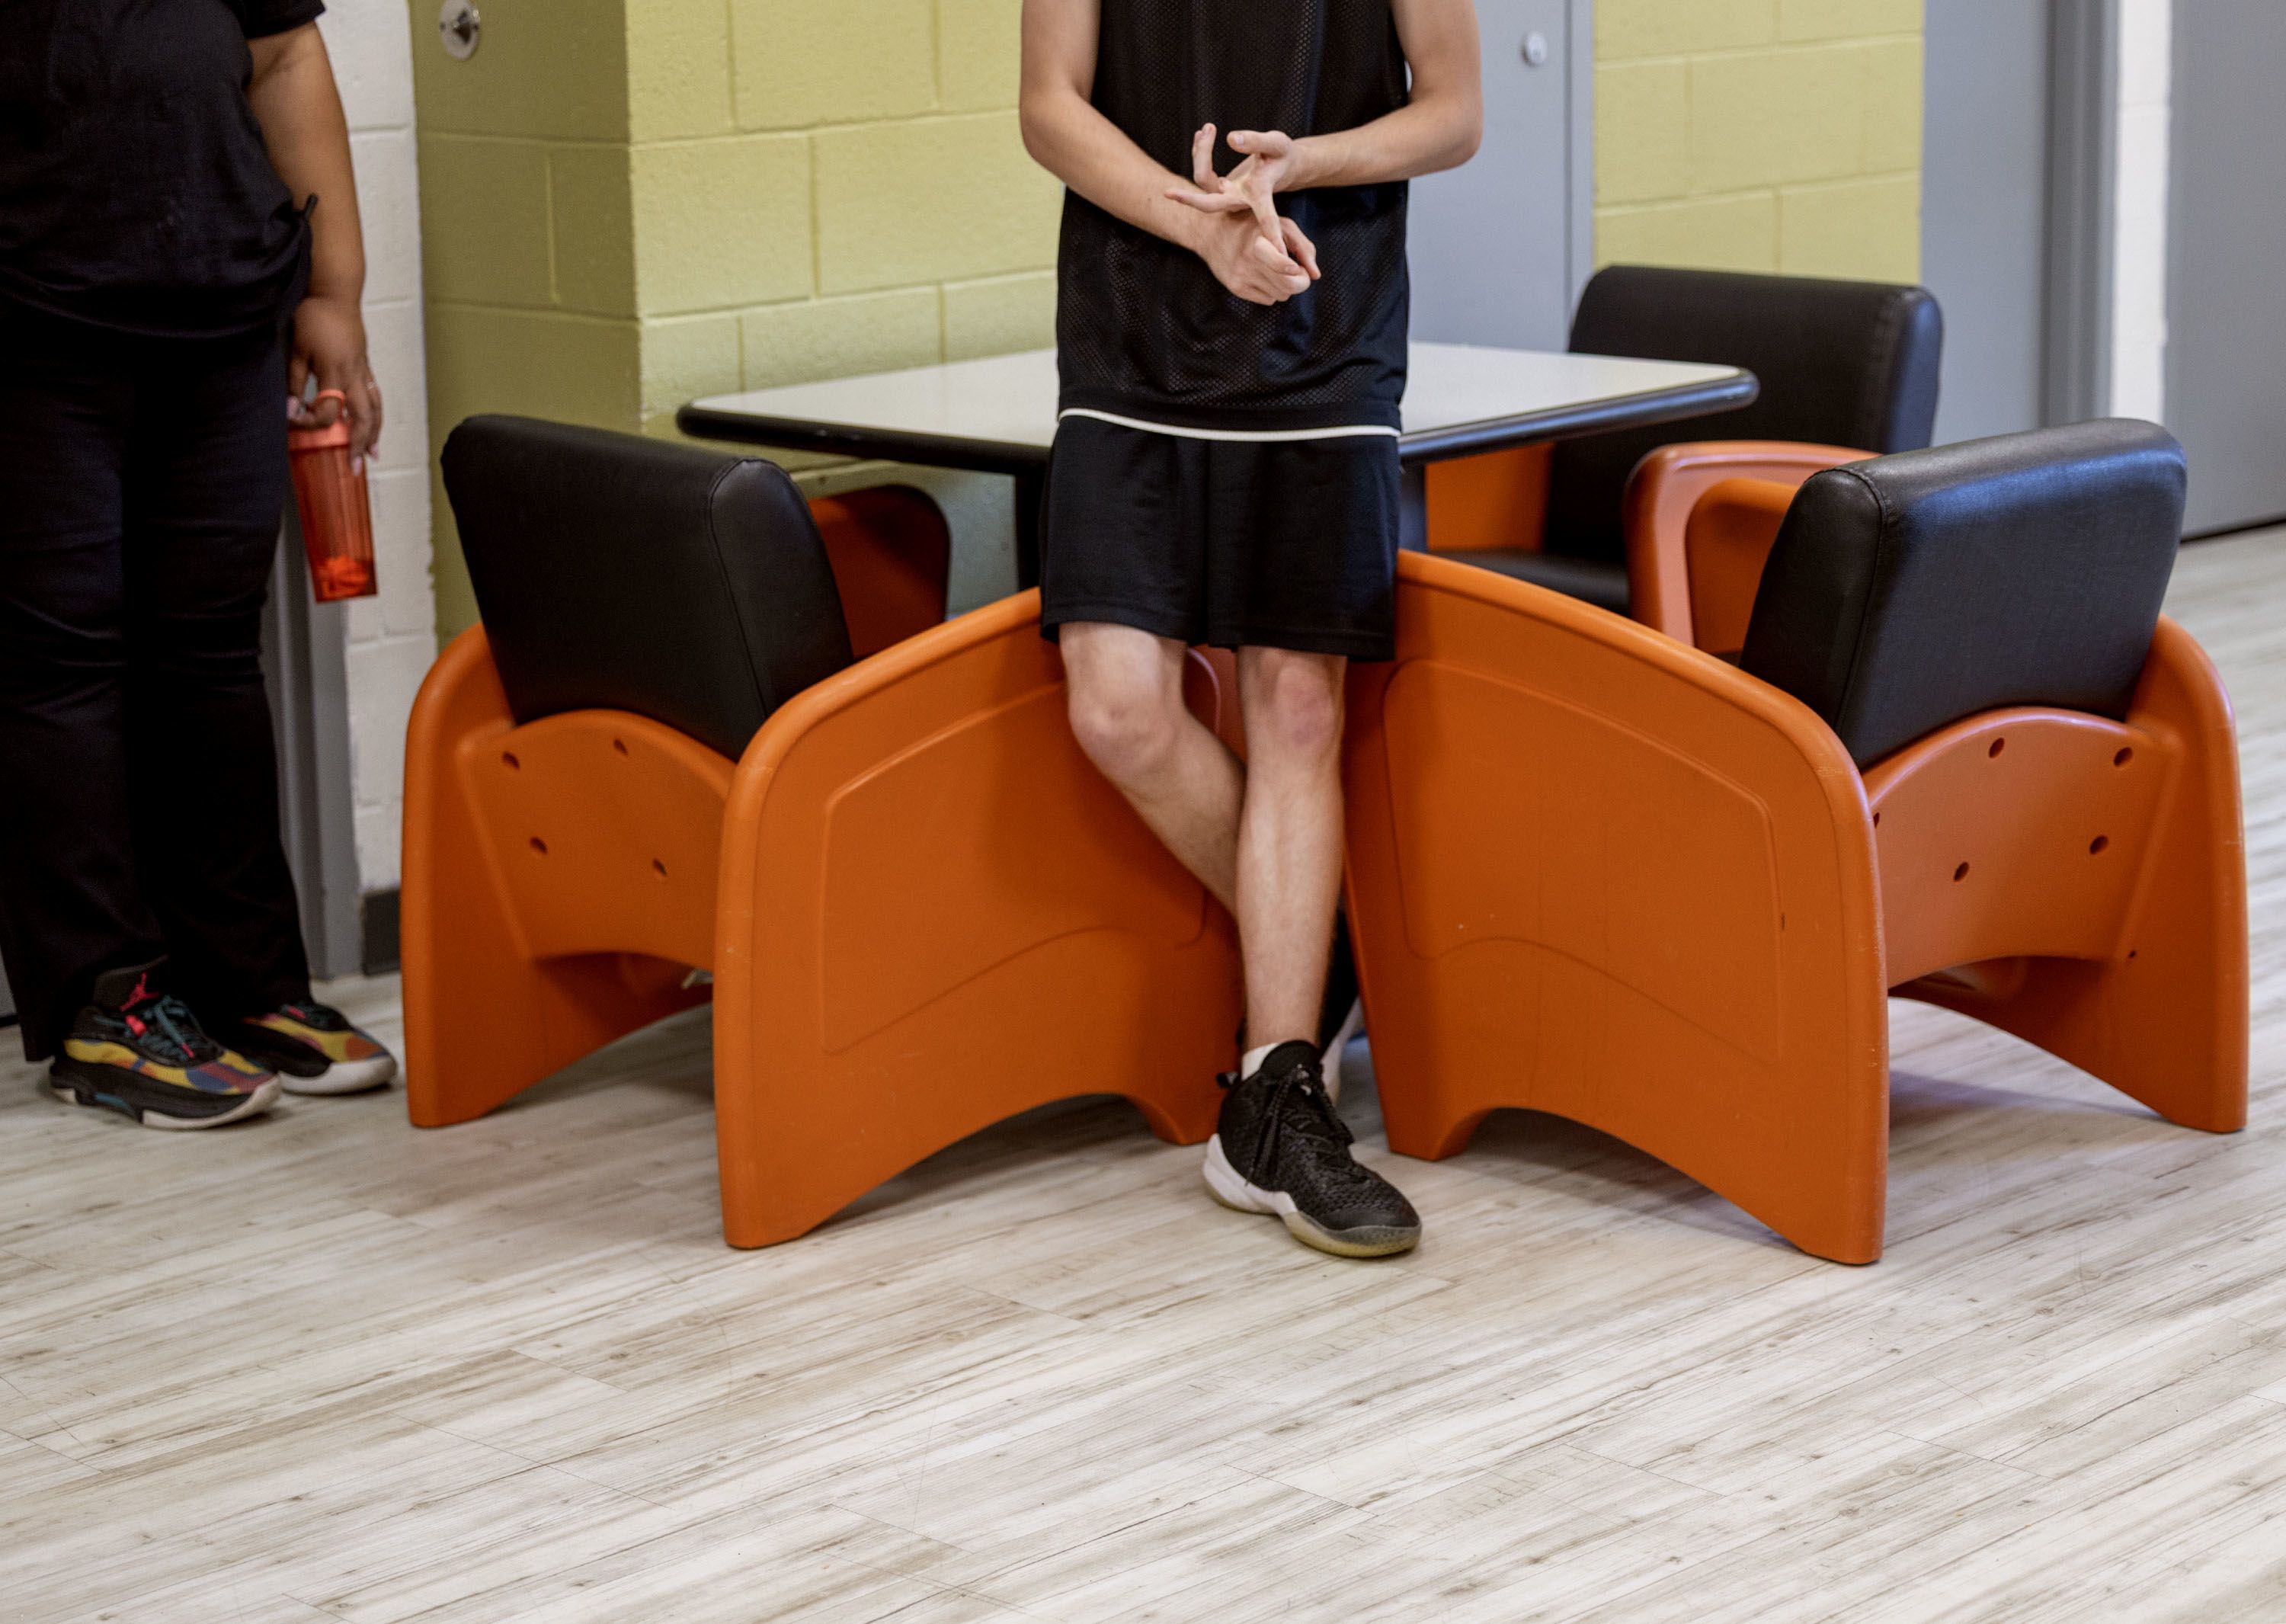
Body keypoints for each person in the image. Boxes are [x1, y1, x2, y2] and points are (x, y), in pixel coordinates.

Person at [1020, 0, 1481, 1255]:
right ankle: (1324, 958)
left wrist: (1302, 165)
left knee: (1296, 703)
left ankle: (1275, 1101)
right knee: (1116, 706)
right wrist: (1198, 221)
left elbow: (1453, 110)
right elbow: (1050, 104)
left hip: (1325, 337)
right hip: (1130, 330)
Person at [0, 2, 398, 1127]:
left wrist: (332, 293)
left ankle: (246, 985)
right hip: (33, 327)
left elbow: (282, 54)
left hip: (223, 306)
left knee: (212, 655)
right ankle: (106, 1003)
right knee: (60, 661)